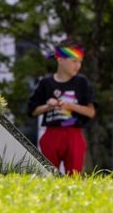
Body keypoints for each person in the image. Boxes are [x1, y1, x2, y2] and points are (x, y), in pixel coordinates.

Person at [27, 41, 96, 174]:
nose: (78, 66)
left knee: (74, 176)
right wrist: (48, 106)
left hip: (74, 134)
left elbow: (91, 112)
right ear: (60, 60)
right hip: (52, 134)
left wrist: (71, 106)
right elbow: (32, 111)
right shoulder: (46, 83)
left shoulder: (82, 83)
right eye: (74, 61)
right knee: (49, 176)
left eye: (80, 62)